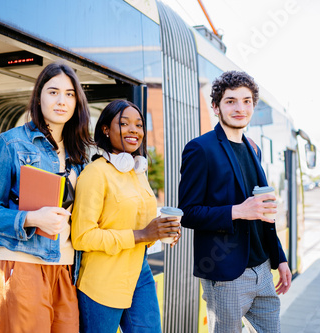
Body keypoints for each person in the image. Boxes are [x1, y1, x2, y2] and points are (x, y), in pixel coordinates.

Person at [0, 62, 92, 333]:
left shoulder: (81, 153)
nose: (62, 100)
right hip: (21, 264)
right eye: (53, 92)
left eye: (70, 94)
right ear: (39, 97)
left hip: (66, 269)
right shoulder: (11, 143)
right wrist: (31, 218)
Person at [178, 70, 292, 333]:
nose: (240, 108)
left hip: (263, 270)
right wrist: (238, 211)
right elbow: (189, 213)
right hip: (227, 274)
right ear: (216, 107)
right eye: (231, 101)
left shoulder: (253, 148)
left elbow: (262, 213)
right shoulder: (200, 149)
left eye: (247, 101)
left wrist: (280, 259)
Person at [71, 99, 180, 333]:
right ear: (105, 129)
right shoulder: (95, 174)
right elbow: (82, 237)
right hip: (103, 281)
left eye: (139, 125)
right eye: (124, 123)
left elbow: (141, 227)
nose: (134, 130)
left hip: (139, 273)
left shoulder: (138, 172)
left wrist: (159, 232)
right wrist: (141, 234)